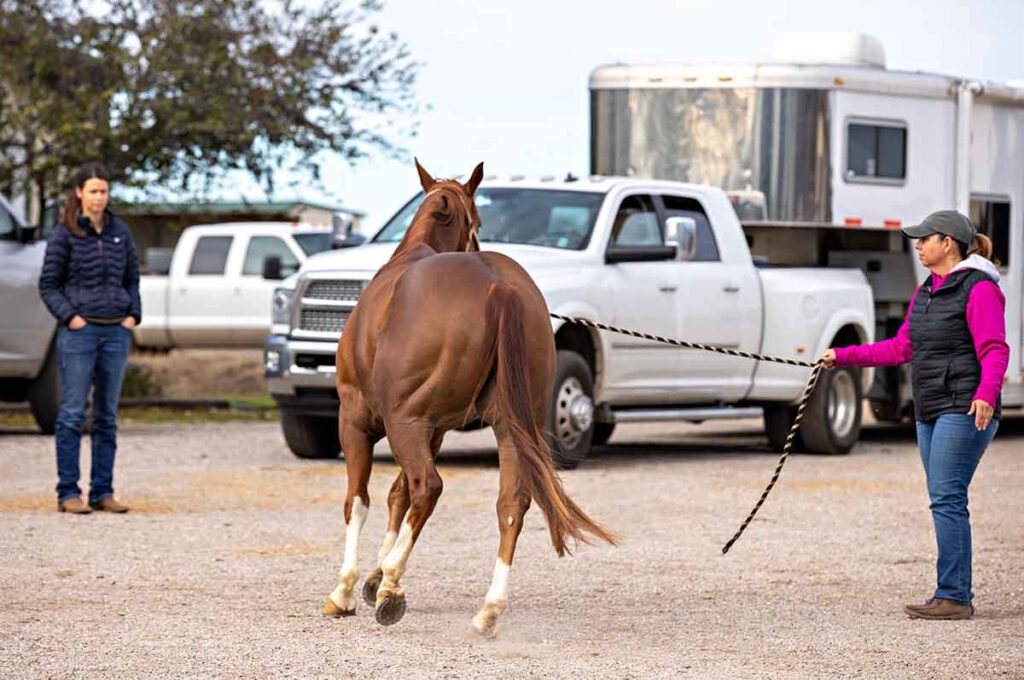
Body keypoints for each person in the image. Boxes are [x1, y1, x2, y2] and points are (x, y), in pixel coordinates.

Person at [822, 210, 1009, 620]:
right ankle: (952, 592)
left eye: (926, 239)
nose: (918, 245)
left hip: (962, 407)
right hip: (930, 408)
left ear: (949, 243)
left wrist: (986, 394)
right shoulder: (927, 291)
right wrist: (843, 357)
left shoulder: (978, 290)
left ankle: (955, 596)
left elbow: (995, 348)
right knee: (943, 497)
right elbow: (900, 347)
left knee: (947, 497)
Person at [38, 163, 141, 514]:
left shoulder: (119, 232)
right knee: (71, 414)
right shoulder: (64, 235)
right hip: (81, 333)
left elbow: (132, 278)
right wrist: (72, 318)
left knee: (107, 416)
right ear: (80, 193)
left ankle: (103, 491)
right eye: (94, 191)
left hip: (116, 331)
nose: (100, 197)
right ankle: (69, 492)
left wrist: (133, 315)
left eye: (105, 191)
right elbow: (48, 285)